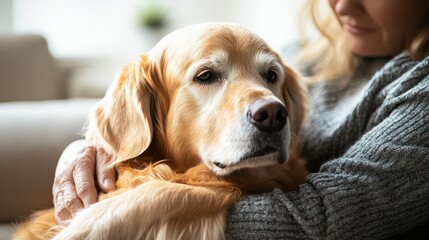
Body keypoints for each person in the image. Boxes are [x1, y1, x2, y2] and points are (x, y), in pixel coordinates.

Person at [52, 0, 429, 238]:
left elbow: (325, 219)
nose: (343, 5)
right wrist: (90, 148)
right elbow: (135, 128)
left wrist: (147, 207)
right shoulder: (308, 54)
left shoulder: (421, 86)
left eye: (269, 79)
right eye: (207, 76)